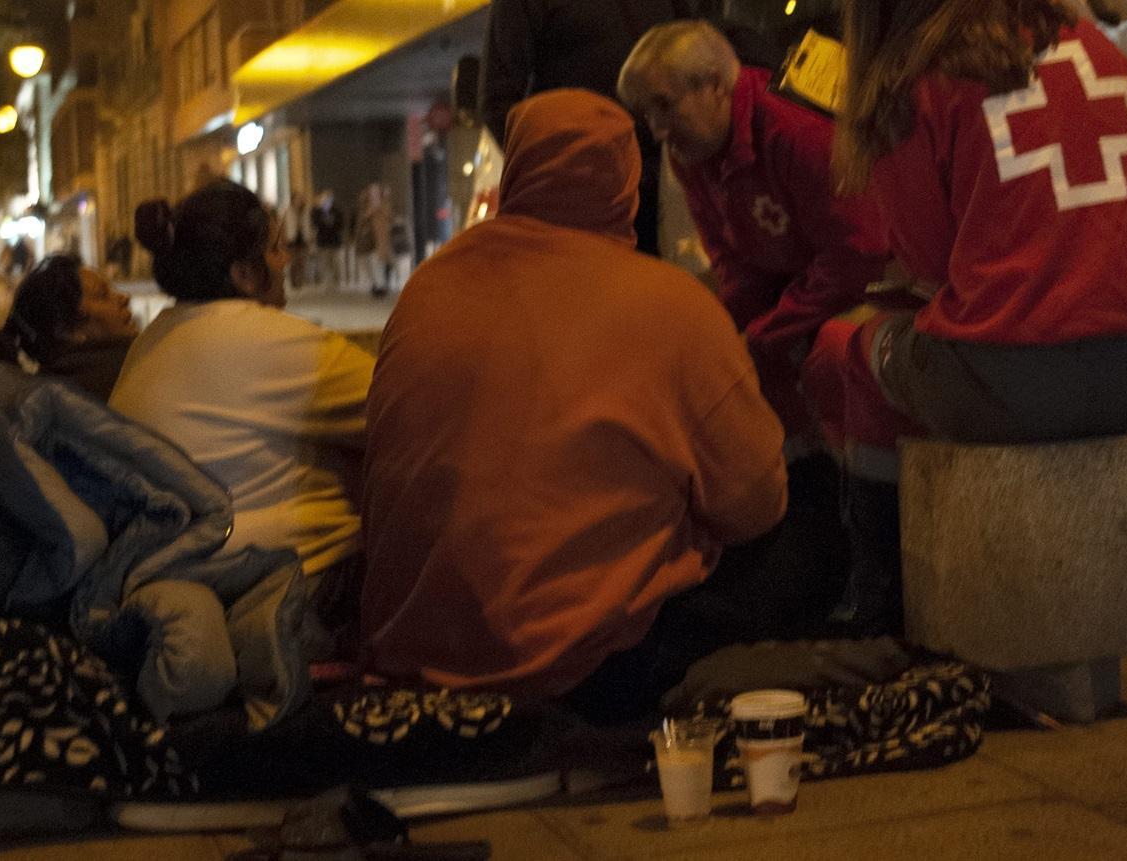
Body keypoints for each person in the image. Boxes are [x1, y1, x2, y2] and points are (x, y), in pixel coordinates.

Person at [358, 89, 788, 723]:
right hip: (579, 669)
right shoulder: (671, 305)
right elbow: (756, 502)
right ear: (628, 188)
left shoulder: (430, 288)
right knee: (807, 539)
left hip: (413, 653)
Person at [800, 0, 1127, 632]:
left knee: (841, 346)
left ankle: (882, 604)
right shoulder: (1094, 46)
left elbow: (929, 262)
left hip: (1014, 381)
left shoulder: (922, 70)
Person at [111, 180, 376, 655]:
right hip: (288, 593)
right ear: (245, 274)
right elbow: (407, 406)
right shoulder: (268, 341)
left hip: (184, 586)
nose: (287, 261)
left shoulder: (152, 340)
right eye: (276, 249)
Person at [618, 20, 889, 453]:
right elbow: (735, 266)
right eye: (647, 113)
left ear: (714, 86)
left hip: (877, 284)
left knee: (826, 359)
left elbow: (857, 254)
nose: (658, 130)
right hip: (812, 288)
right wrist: (729, 340)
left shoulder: (797, 133)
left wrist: (763, 337)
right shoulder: (692, 153)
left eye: (664, 106)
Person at [480, 0, 700, 255]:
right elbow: (497, 101)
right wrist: (557, 178)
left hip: (666, 191)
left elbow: (691, 56)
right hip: (578, 204)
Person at [0, 254, 139, 401]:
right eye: (102, 295)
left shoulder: (43, 394)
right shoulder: (128, 375)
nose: (124, 298)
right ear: (68, 332)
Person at [353, 183, 394, 297]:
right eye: (371, 192)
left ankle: (381, 286)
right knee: (369, 262)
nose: (373, 194)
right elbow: (359, 221)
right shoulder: (364, 205)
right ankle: (375, 284)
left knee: (378, 262)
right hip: (368, 239)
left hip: (381, 239)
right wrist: (368, 213)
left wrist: (379, 209)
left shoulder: (385, 204)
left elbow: (390, 218)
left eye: (376, 192)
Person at [311, 189, 346, 292]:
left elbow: (341, 224)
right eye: (324, 198)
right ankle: (327, 283)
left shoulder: (337, 210)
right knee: (324, 263)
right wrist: (324, 222)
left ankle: (336, 282)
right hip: (322, 241)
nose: (326, 200)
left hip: (335, 241)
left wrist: (332, 223)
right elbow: (315, 223)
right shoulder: (316, 211)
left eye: (328, 198)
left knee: (335, 263)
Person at [281, 191, 312, 291]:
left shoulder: (306, 211)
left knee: (302, 261)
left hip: (303, 239)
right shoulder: (287, 211)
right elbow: (283, 226)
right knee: (293, 261)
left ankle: (300, 281)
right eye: (297, 199)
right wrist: (284, 238)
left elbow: (309, 226)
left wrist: (310, 237)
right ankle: (294, 281)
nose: (299, 201)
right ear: (293, 200)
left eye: (301, 198)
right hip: (292, 240)